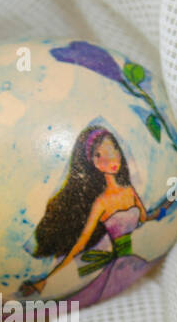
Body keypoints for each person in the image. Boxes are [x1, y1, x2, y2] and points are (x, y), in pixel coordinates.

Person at [22, 125, 150, 305]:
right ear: (92, 161)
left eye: (113, 149)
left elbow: (144, 218)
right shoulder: (101, 203)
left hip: (136, 264)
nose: (109, 158)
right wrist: (46, 279)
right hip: (120, 267)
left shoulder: (129, 191)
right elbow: (80, 244)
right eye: (99, 155)